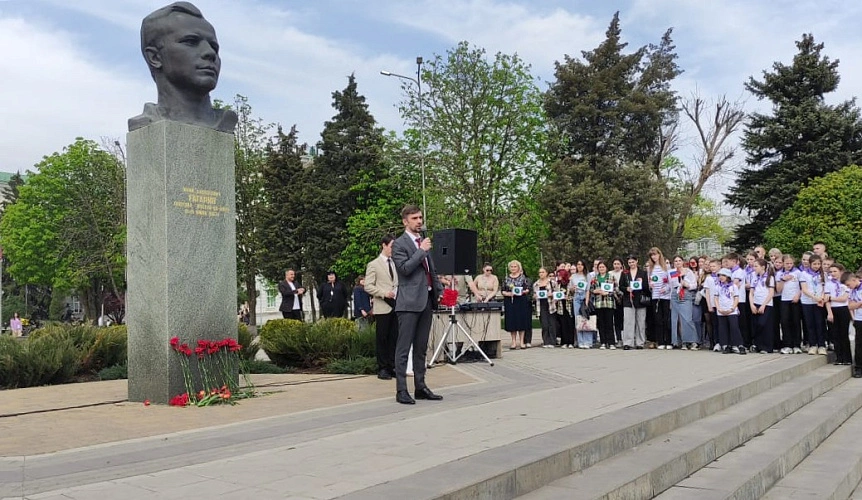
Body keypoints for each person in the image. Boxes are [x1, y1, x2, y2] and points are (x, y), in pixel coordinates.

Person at [130, 2, 237, 133]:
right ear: (155, 57)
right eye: (191, 41)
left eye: (214, 47)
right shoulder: (145, 125)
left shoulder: (226, 121)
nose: (210, 53)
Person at [391, 204, 444, 405]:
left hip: (426, 300)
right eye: (414, 218)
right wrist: (421, 251)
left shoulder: (424, 242)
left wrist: (438, 290)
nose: (419, 221)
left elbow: (431, 270)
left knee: (421, 347)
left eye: (420, 217)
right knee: (403, 348)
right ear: (405, 221)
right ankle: (401, 390)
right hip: (408, 303)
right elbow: (405, 269)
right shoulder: (399, 244)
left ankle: (420, 387)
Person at [364, 234, 399, 380]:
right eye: (392, 246)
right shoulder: (374, 264)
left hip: (396, 305)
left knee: (394, 338)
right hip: (383, 305)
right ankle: (382, 368)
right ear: (384, 245)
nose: (393, 249)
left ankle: (392, 366)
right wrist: (384, 293)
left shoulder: (396, 263)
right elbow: (368, 286)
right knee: (382, 338)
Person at [714, 268, 746, 355]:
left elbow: (736, 298)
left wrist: (732, 308)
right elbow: (716, 298)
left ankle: (739, 345)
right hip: (721, 310)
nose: (721, 277)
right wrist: (719, 308)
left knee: (734, 327)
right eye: (719, 275)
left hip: (731, 310)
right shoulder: (718, 287)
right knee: (723, 328)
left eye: (723, 275)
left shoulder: (733, 287)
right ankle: (725, 345)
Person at [799, 254, 827, 355]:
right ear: (810, 264)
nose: (817, 266)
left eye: (819, 264)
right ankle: (813, 345)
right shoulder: (804, 274)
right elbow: (804, 289)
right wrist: (815, 297)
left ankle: (821, 345)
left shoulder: (823, 274)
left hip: (819, 302)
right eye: (814, 264)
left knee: (820, 323)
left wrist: (822, 297)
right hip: (808, 302)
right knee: (810, 324)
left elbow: (825, 288)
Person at [619, 255, 648, 349]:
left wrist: (642, 282)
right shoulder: (625, 273)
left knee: (641, 322)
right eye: (629, 262)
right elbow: (620, 286)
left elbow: (647, 288)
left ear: (637, 261)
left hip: (640, 300)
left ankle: (640, 343)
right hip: (628, 300)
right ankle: (628, 343)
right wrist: (626, 289)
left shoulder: (643, 273)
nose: (631, 264)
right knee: (628, 322)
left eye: (633, 262)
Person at [825, 263, 852, 365]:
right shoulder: (828, 284)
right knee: (835, 334)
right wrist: (829, 313)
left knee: (844, 334)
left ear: (841, 271)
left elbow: (844, 298)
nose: (833, 273)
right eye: (831, 272)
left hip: (843, 309)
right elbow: (826, 299)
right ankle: (839, 357)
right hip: (833, 309)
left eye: (835, 271)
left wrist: (831, 298)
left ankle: (847, 358)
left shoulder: (845, 283)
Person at [669, 255, 698, 350]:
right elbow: (670, 286)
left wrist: (687, 285)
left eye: (679, 260)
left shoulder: (688, 272)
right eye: (676, 261)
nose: (678, 262)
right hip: (675, 295)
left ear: (682, 262)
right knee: (676, 320)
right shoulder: (672, 272)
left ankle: (692, 341)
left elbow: (694, 285)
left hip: (686, 294)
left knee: (687, 318)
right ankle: (681, 341)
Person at [749, 258, 776, 353]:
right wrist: (752, 304)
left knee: (764, 324)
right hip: (756, 302)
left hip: (766, 304)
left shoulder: (770, 278)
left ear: (763, 267)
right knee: (756, 325)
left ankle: (767, 346)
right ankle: (758, 345)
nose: (754, 268)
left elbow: (771, 293)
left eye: (756, 266)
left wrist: (764, 305)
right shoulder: (754, 277)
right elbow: (751, 292)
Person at [502, 260, 532, 350]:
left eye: (515, 267)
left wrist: (521, 292)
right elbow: (503, 290)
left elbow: (527, 289)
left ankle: (522, 342)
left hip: (521, 301)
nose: (513, 268)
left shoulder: (523, 278)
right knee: (512, 321)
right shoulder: (506, 278)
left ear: (519, 268)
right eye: (512, 267)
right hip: (510, 301)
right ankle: (513, 341)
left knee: (521, 320)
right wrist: (508, 294)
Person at [776, 255, 802, 354]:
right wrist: (783, 280)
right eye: (787, 263)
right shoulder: (779, 274)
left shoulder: (797, 272)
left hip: (795, 299)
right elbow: (778, 289)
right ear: (783, 263)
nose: (789, 265)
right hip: (784, 300)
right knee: (785, 321)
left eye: (791, 263)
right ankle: (787, 344)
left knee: (796, 321)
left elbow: (802, 287)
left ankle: (797, 345)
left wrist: (798, 296)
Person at [647, 247, 671, 349]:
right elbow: (649, 281)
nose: (654, 257)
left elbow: (671, 282)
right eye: (652, 255)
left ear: (659, 255)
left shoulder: (667, 267)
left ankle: (668, 341)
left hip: (666, 296)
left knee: (666, 319)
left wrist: (665, 289)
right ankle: (660, 341)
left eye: (655, 254)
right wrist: (650, 285)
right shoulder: (650, 268)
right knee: (658, 320)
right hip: (655, 296)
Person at [590, 260, 617, 350]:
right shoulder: (595, 278)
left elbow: (616, 289)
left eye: (603, 267)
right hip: (598, 303)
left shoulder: (611, 277)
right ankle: (603, 342)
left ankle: (611, 342)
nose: (601, 269)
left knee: (609, 323)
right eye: (600, 267)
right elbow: (591, 289)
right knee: (601, 324)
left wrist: (608, 293)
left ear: (606, 268)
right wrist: (595, 291)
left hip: (609, 303)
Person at [533, 268, 557, 348]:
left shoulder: (552, 282)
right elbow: (534, 294)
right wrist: (535, 296)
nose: (541, 274)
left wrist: (552, 294)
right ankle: (546, 341)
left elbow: (557, 292)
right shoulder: (536, 284)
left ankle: (552, 342)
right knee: (544, 324)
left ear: (546, 273)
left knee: (552, 324)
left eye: (543, 272)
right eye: (540, 272)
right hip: (541, 305)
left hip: (550, 305)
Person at [569, 260, 592, 349]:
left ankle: (588, 341)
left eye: (581, 264)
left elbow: (588, 289)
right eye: (578, 264)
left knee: (585, 319)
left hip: (584, 297)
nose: (579, 266)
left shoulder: (587, 276)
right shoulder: (573, 276)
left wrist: (586, 301)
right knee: (578, 320)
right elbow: (571, 289)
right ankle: (580, 341)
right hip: (576, 297)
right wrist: (572, 288)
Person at [846, 272, 862, 377]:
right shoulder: (852, 291)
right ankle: (858, 368)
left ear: (853, 279)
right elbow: (850, 306)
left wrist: (856, 305)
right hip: (858, 319)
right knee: (859, 344)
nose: (848, 287)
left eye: (848, 284)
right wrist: (858, 304)